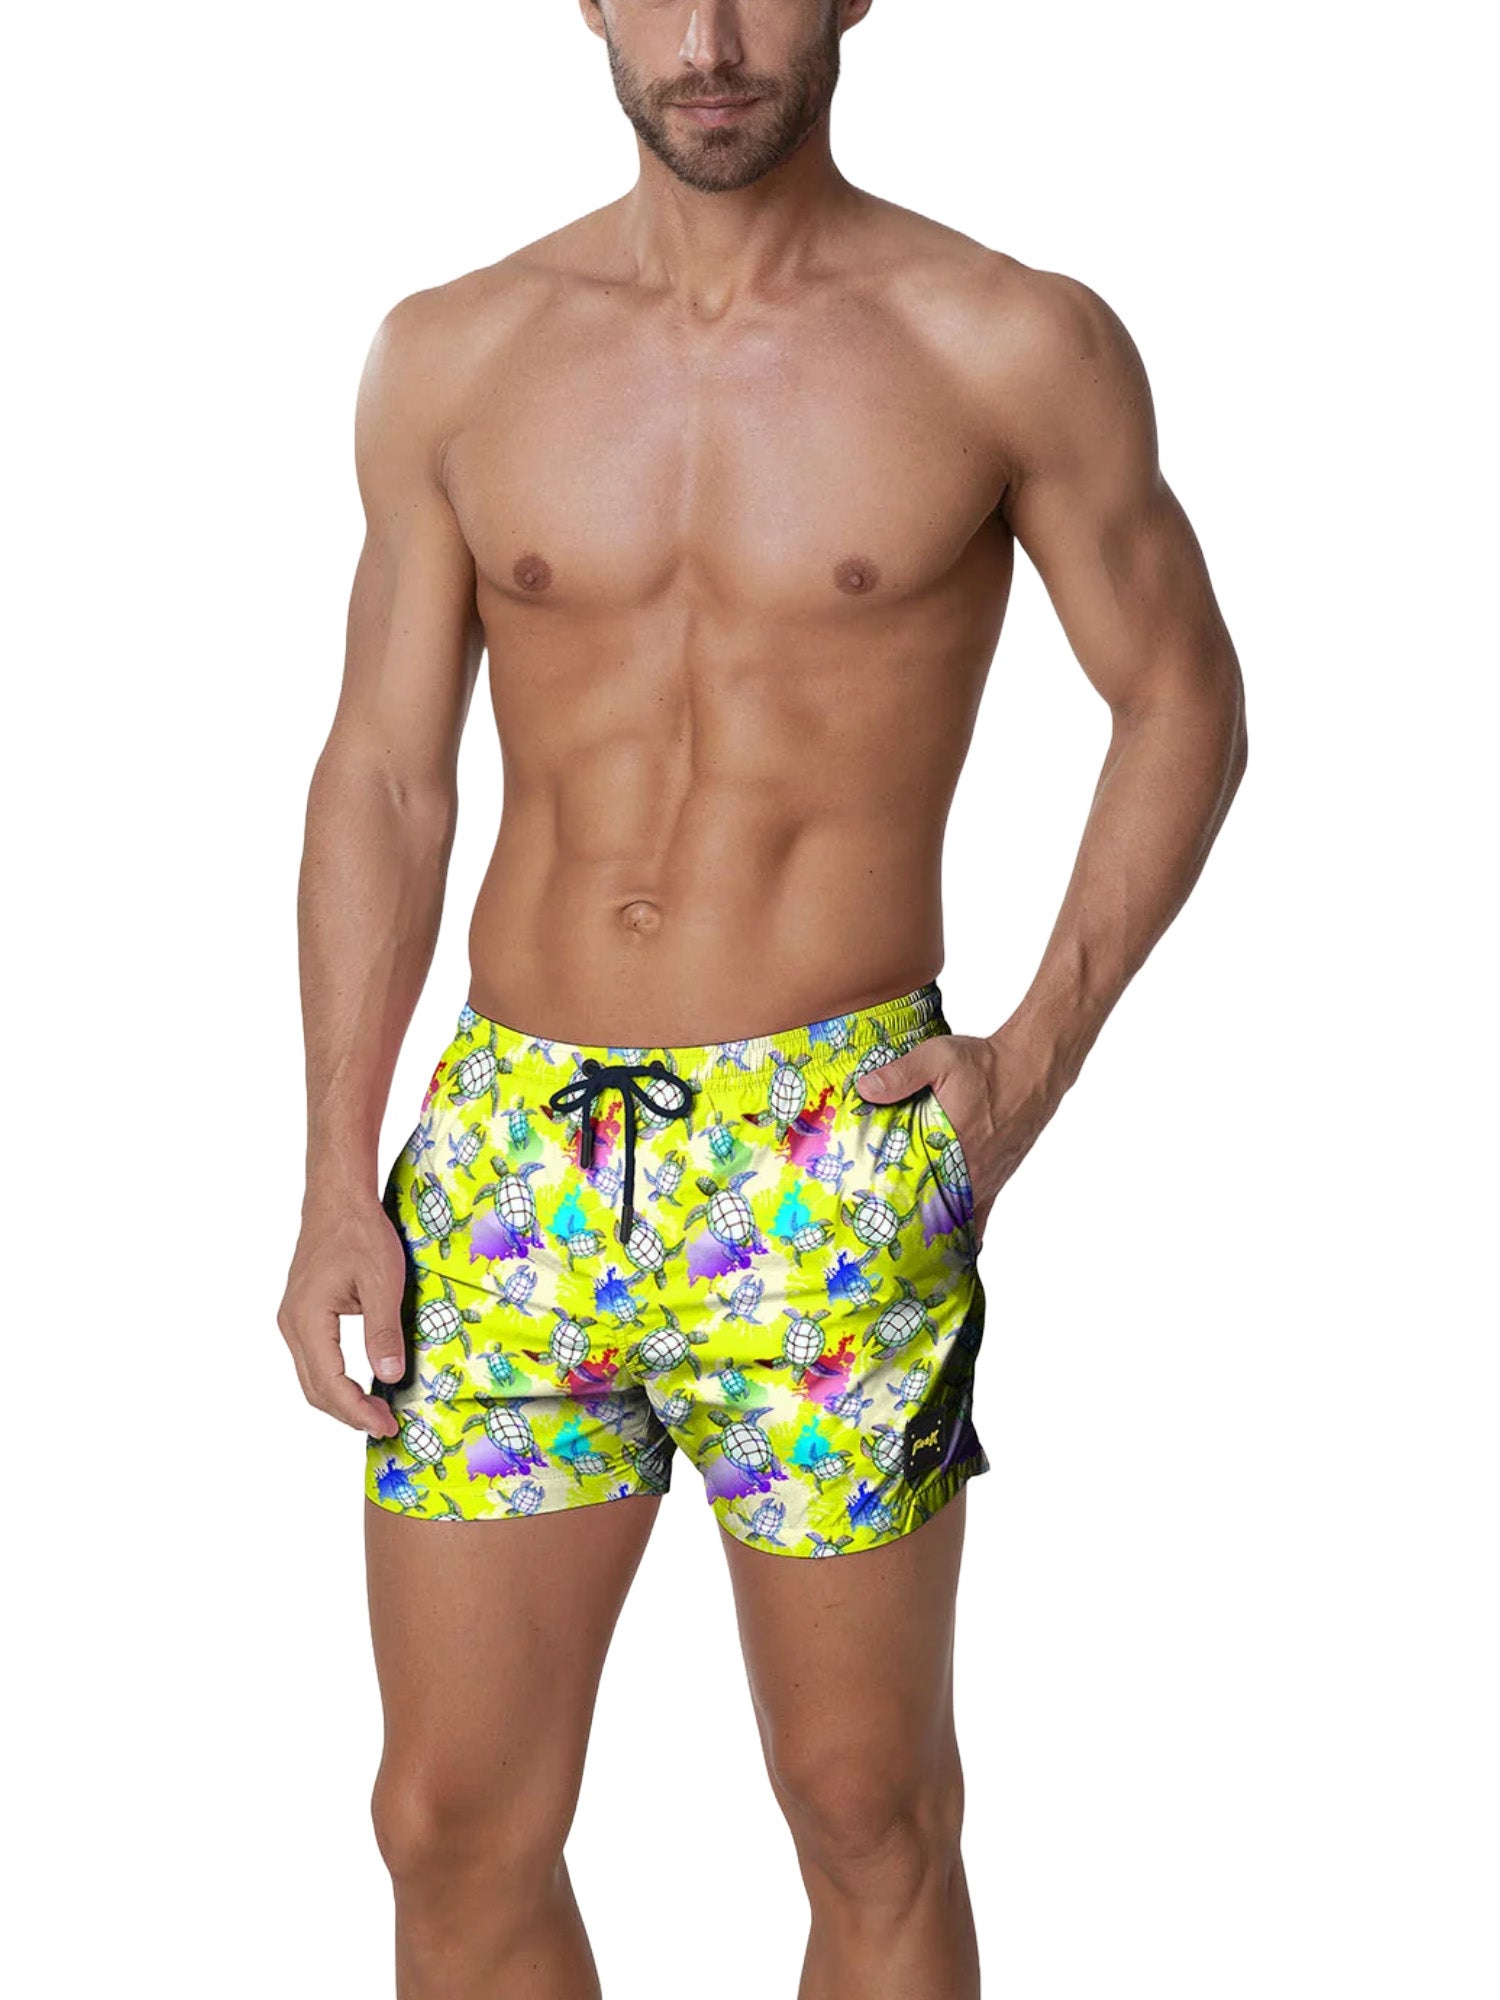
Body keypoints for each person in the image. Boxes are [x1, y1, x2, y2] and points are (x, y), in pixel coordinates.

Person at [276, 2, 1247, 1993]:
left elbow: (1182, 699)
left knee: (866, 1809)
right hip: (512, 1155)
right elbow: (383, 772)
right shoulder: (455, 351)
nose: (709, 37)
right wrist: (330, 1175)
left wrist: (1029, 1063)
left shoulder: (1006, 341)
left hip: (833, 1152)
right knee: (448, 1817)